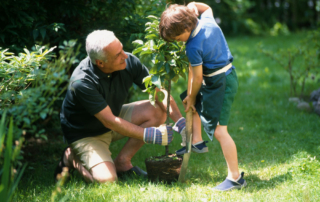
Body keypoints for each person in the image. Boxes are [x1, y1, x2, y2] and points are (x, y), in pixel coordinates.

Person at [54, 30, 187, 183]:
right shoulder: (82, 82)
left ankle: (123, 162)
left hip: (111, 116)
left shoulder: (128, 61)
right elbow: (109, 121)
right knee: (107, 181)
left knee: (157, 111)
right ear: (100, 63)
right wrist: (149, 134)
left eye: (122, 49)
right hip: (86, 133)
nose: (125, 55)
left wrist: (180, 122)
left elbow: (159, 93)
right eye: (117, 55)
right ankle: (72, 158)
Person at [159, 2, 247, 191]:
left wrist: (191, 97)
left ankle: (235, 178)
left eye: (177, 38)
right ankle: (197, 142)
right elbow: (206, 8)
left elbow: (197, 78)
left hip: (221, 83)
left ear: (185, 27)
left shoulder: (192, 46)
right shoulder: (207, 20)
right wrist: (192, 5)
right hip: (221, 78)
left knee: (219, 131)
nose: (178, 41)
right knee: (194, 100)